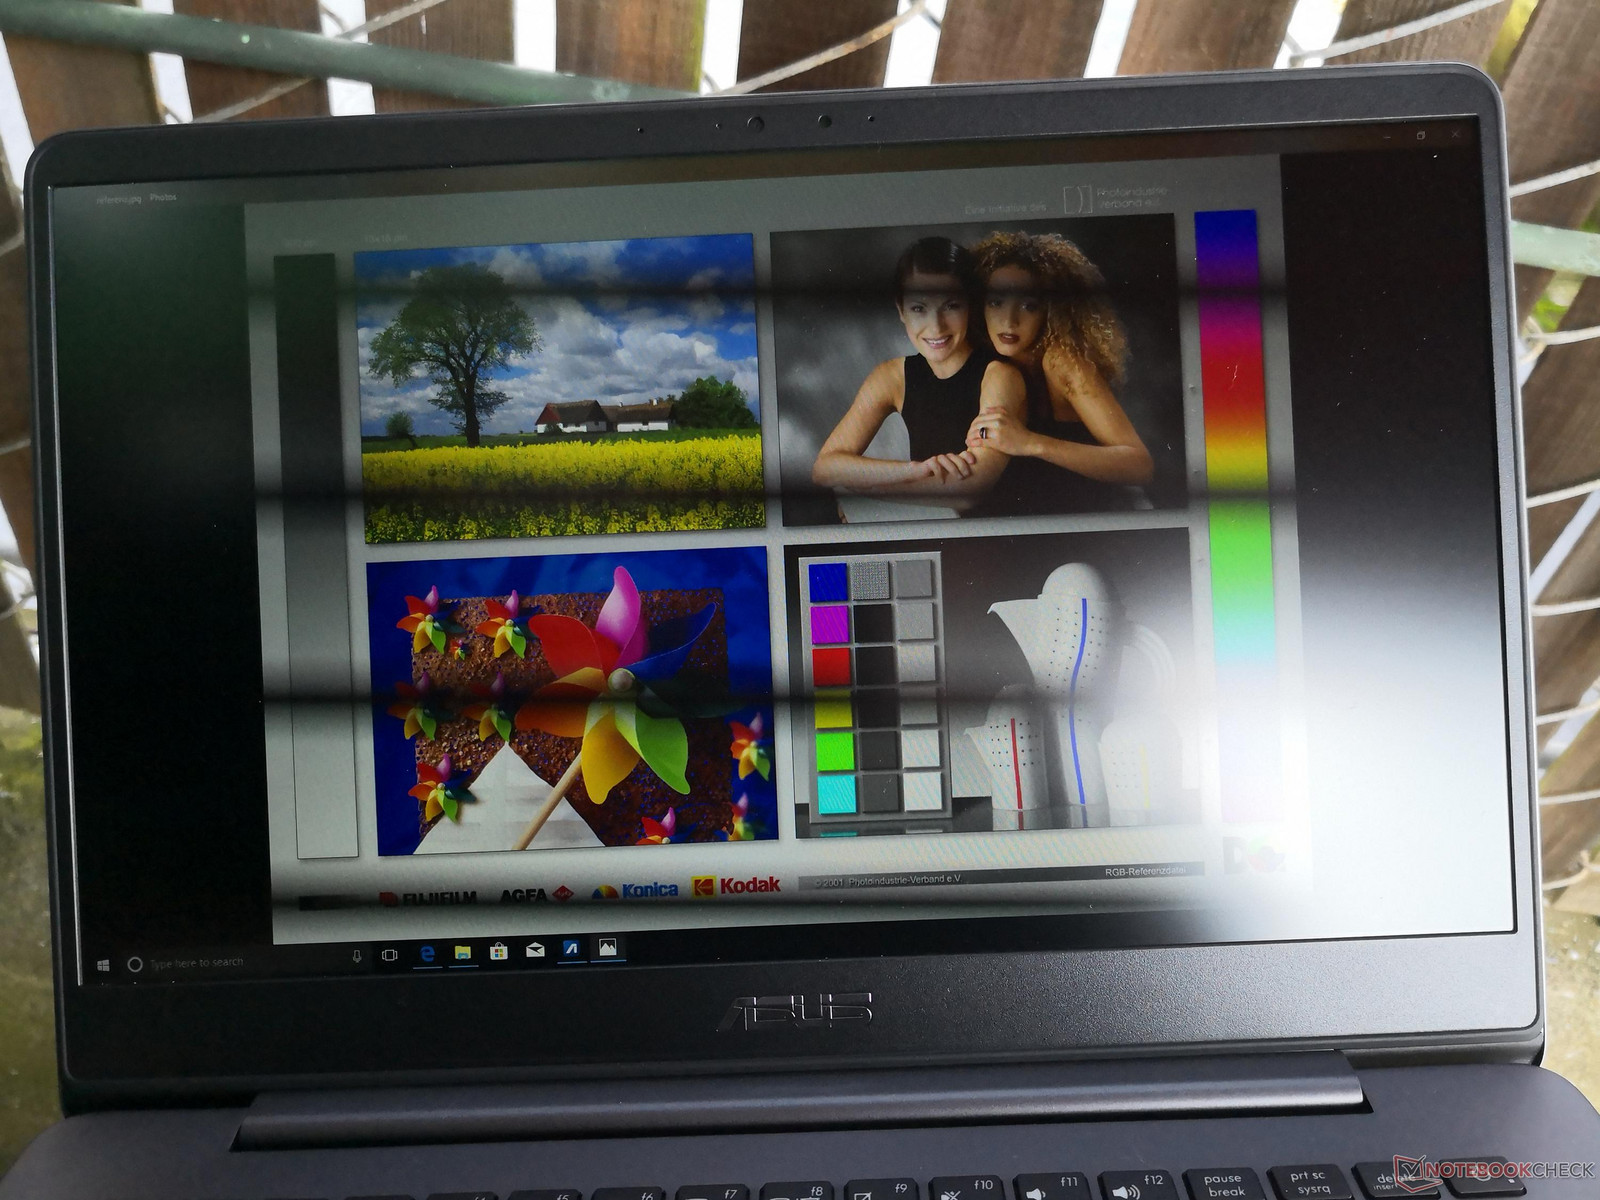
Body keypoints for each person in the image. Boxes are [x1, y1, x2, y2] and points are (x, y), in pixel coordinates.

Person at [811, 236, 1025, 515]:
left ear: (970, 305)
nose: (935, 327)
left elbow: (969, 490)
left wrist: (857, 489)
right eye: (919, 308)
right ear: (901, 310)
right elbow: (825, 467)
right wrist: (912, 471)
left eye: (951, 305)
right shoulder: (892, 377)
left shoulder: (999, 377)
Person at [963, 231, 1153, 513]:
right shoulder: (988, 359)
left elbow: (1140, 466)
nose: (1009, 321)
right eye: (996, 302)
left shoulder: (1061, 361)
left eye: (1028, 305)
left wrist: (1030, 443)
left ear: (1051, 311)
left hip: (1113, 514)